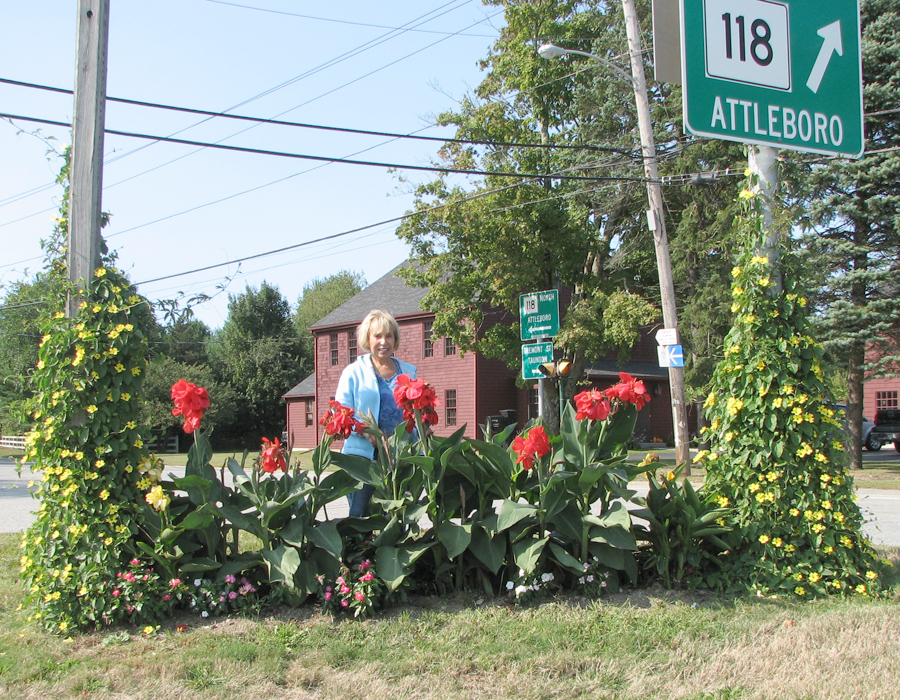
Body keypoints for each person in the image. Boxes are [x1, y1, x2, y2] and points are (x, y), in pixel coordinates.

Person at [334, 309, 417, 517]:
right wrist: (363, 430)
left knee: (398, 517)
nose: (383, 342)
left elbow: (415, 413)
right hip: (363, 458)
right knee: (361, 517)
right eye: (377, 336)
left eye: (389, 336)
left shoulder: (408, 372)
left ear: (395, 339)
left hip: (400, 458)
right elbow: (340, 412)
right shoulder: (353, 372)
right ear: (367, 339)